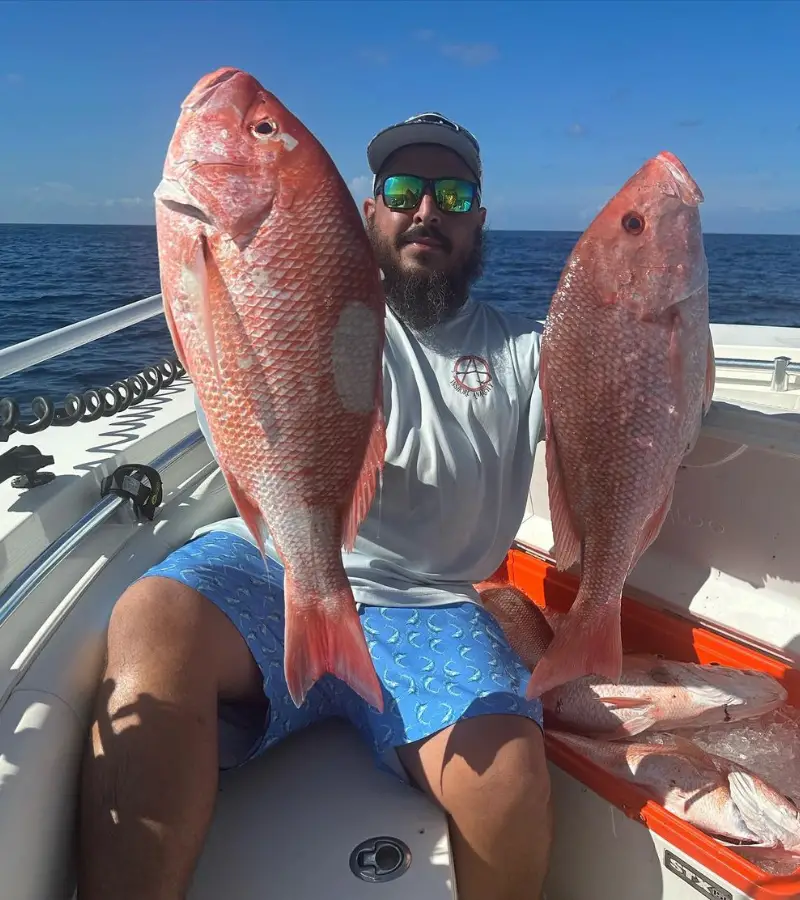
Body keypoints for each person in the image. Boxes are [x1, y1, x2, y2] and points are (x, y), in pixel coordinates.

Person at [77, 111, 553, 900]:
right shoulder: (306, 302)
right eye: (402, 190)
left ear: (479, 220)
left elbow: (629, 415)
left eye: (452, 193)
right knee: (154, 621)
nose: (426, 208)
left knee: (504, 780)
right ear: (368, 213)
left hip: (427, 605)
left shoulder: (524, 349)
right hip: (273, 564)